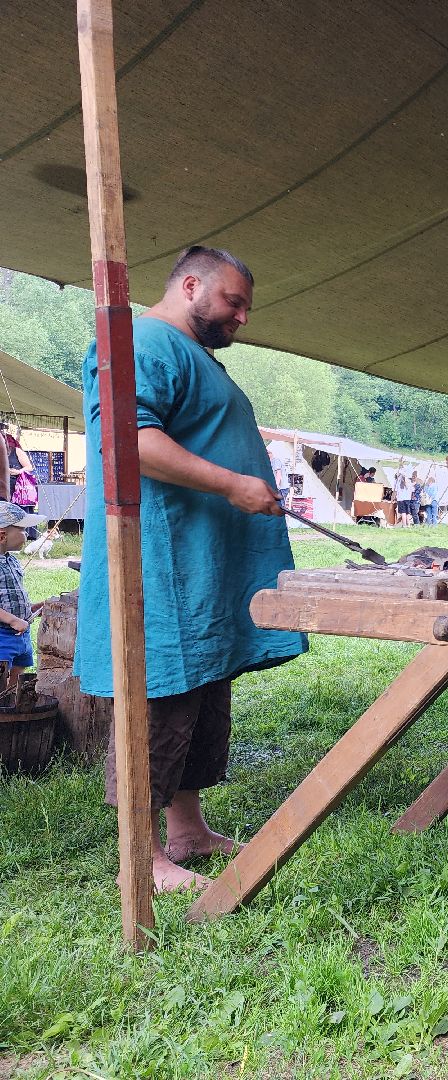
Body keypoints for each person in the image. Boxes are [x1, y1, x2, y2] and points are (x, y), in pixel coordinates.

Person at [76, 246, 306, 894]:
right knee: (159, 697)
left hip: (202, 569)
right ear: (192, 284)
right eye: (233, 302)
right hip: (161, 565)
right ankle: (140, 860)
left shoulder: (189, 353)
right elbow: (132, 440)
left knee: (201, 693)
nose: (241, 318)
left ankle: (189, 831)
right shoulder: (144, 340)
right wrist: (234, 483)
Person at [0, 502, 46, 697]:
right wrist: (11, 619)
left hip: (21, 634)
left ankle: (11, 710)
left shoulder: (12, 560)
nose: (27, 534)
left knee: (17, 681)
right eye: (22, 529)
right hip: (3, 634)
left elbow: (11, 593)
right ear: (2, 535)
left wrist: (32, 608)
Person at [3, 423, 40, 538]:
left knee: (19, 511)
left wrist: (18, 471)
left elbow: (29, 467)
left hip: (17, 487)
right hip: (3, 485)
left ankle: (24, 535)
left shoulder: (17, 451)